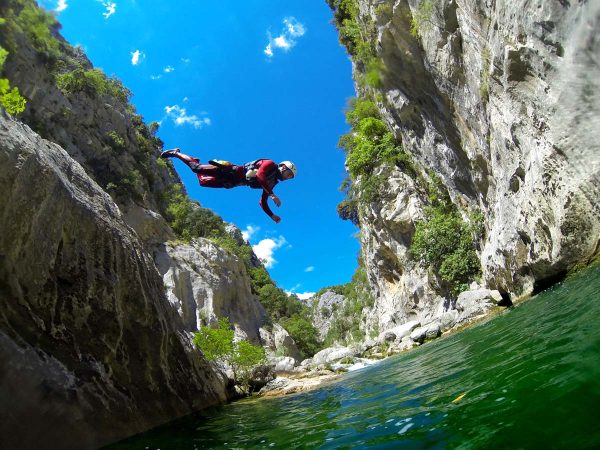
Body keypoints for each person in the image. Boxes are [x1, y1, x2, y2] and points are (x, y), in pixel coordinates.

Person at [160, 148, 296, 223]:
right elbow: (260, 175)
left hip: (231, 183)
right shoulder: (270, 164)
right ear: (283, 167)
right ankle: (176, 153)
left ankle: (197, 161)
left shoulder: (271, 183)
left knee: (203, 182)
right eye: (289, 174)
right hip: (230, 171)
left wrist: (271, 215)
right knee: (196, 167)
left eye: (290, 177)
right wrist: (272, 194)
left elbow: (262, 202)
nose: (288, 178)